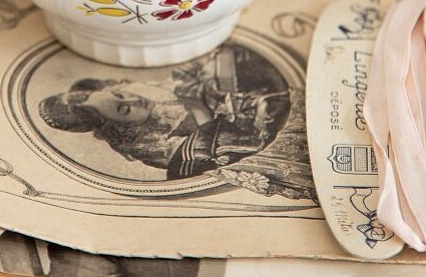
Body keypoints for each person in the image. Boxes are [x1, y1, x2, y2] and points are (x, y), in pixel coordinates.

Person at [38, 45, 291, 180]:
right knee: (266, 103)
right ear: (120, 128)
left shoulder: (133, 90)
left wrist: (199, 76)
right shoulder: (148, 145)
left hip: (220, 92)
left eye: (120, 94)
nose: (134, 100)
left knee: (230, 57)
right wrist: (206, 106)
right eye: (124, 108)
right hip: (239, 120)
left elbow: (175, 81)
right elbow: (206, 147)